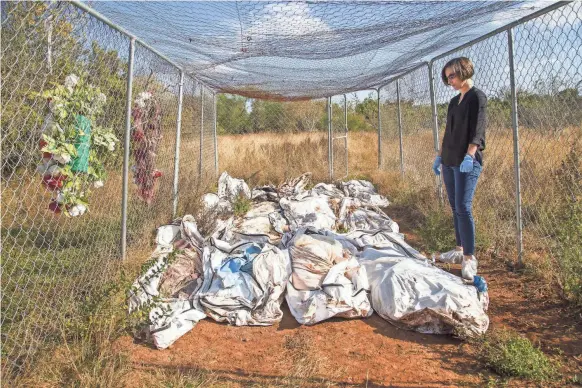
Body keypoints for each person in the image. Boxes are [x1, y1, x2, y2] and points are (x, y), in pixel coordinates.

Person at [432, 57, 487, 282]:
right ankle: (458, 249)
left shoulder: (477, 97)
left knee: (464, 207)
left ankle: (469, 257)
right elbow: (449, 132)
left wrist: (470, 154)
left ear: (464, 71)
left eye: (452, 76)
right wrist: (439, 157)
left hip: (467, 160)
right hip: (449, 159)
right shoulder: (454, 102)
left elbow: (478, 128)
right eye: (447, 78)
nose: (449, 81)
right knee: (454, 206)